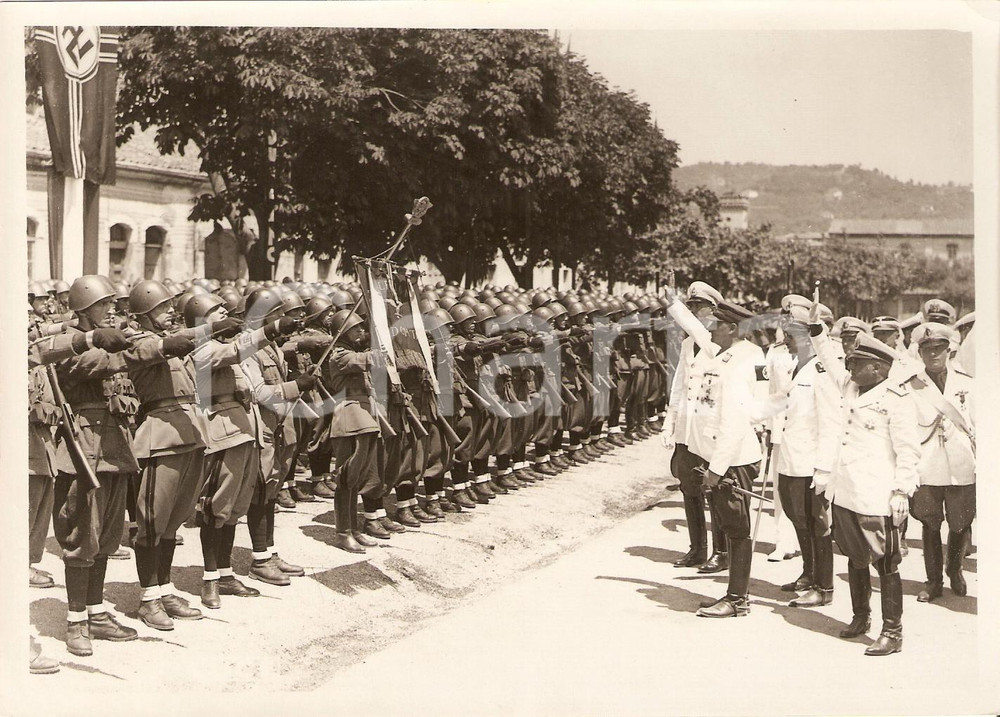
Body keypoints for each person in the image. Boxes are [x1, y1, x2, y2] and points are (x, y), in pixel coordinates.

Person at [810, 312, 920, 657]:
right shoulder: (851, 386)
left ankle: (893, 631)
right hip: (846, 492)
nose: (850, 368)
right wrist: (817, 331)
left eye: (857, 363)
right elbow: (829, 361)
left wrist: (903, 489)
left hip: (877, 496)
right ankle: (861, 616)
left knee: (886, 563)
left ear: (879, 368)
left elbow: (908, 451)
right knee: (855, 557)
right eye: (851, 362)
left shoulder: (896, 400)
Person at [52, 276, 144, 656]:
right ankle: (76, 621)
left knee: (106, 537)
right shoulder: (69, 341)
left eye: (113, 303)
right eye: (105, 303)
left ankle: (96, 612)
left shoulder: (112, 336)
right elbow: (85, 364)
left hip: (115, 448)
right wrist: (118, 347)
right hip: (84, 447)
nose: (112, 309)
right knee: (81, 536)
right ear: (85, 307)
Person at [904, 323, 975, 602]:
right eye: (927, 349)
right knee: (929, 523)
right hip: (927, 465)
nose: (933, 354)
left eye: (938, 349)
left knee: (960, 523)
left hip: (961, 465)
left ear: (950, 350)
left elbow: (979, 424)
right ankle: (933, 581)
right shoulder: (910, 386)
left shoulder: (967, 383)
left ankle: (955, 570)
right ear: (919, 353)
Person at [662, 281, 726, 571]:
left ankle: (720, 552)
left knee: (715, 493)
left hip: (711, 430)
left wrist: (673, 305)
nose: (695, 313)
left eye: (699, 307)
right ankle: (697, 548)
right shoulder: (689, 343)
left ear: (714, 310)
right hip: (688, 429)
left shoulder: (720, 343)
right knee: (689, 489)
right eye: (691, 308)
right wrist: (669, 422)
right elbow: (679, 386)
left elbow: (702, 334)